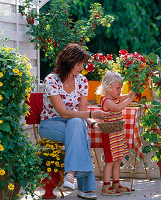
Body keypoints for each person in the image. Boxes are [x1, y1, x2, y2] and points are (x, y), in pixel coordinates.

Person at [39, 43, 112, 200]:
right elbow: (63, 113)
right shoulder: (51, 80)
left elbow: (82, 112)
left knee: (78, 124)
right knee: (81, 134)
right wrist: (93, 113)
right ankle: (84, 188)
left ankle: (70, 176)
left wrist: (94, 123)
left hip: (73, 123)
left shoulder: (82, 81)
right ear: (68, 62)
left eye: (83, 64)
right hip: (50, 124)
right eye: (79, 64)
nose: (82, 67)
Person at [96, 70, 136, 196]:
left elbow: (121, 98)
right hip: (109, 135)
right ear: (108, 87)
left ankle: (116, 183)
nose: (120, 91)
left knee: (118, 159)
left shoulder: (115, 97)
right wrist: (130, 99)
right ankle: (106, 186)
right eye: (118, 88)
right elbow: (117, 108)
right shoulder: (106, 100)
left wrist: (130, 94)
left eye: (120, 88)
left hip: (117, 134)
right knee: (110, 160)